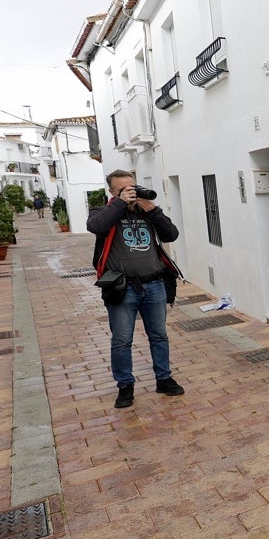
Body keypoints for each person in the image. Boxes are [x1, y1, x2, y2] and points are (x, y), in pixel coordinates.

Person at [88, 170, 184, 409]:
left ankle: (164, 378)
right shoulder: (102, 213)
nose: (131, 192)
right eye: (123, 189)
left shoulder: (146, 212)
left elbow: (170, 234)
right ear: (112, 192)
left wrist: (154, 211)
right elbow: (95, 226)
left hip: (154, 284)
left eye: (133, 187)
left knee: (159, 335)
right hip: (122, 288)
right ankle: (125, 386)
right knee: (122, 340)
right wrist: (120, 204)